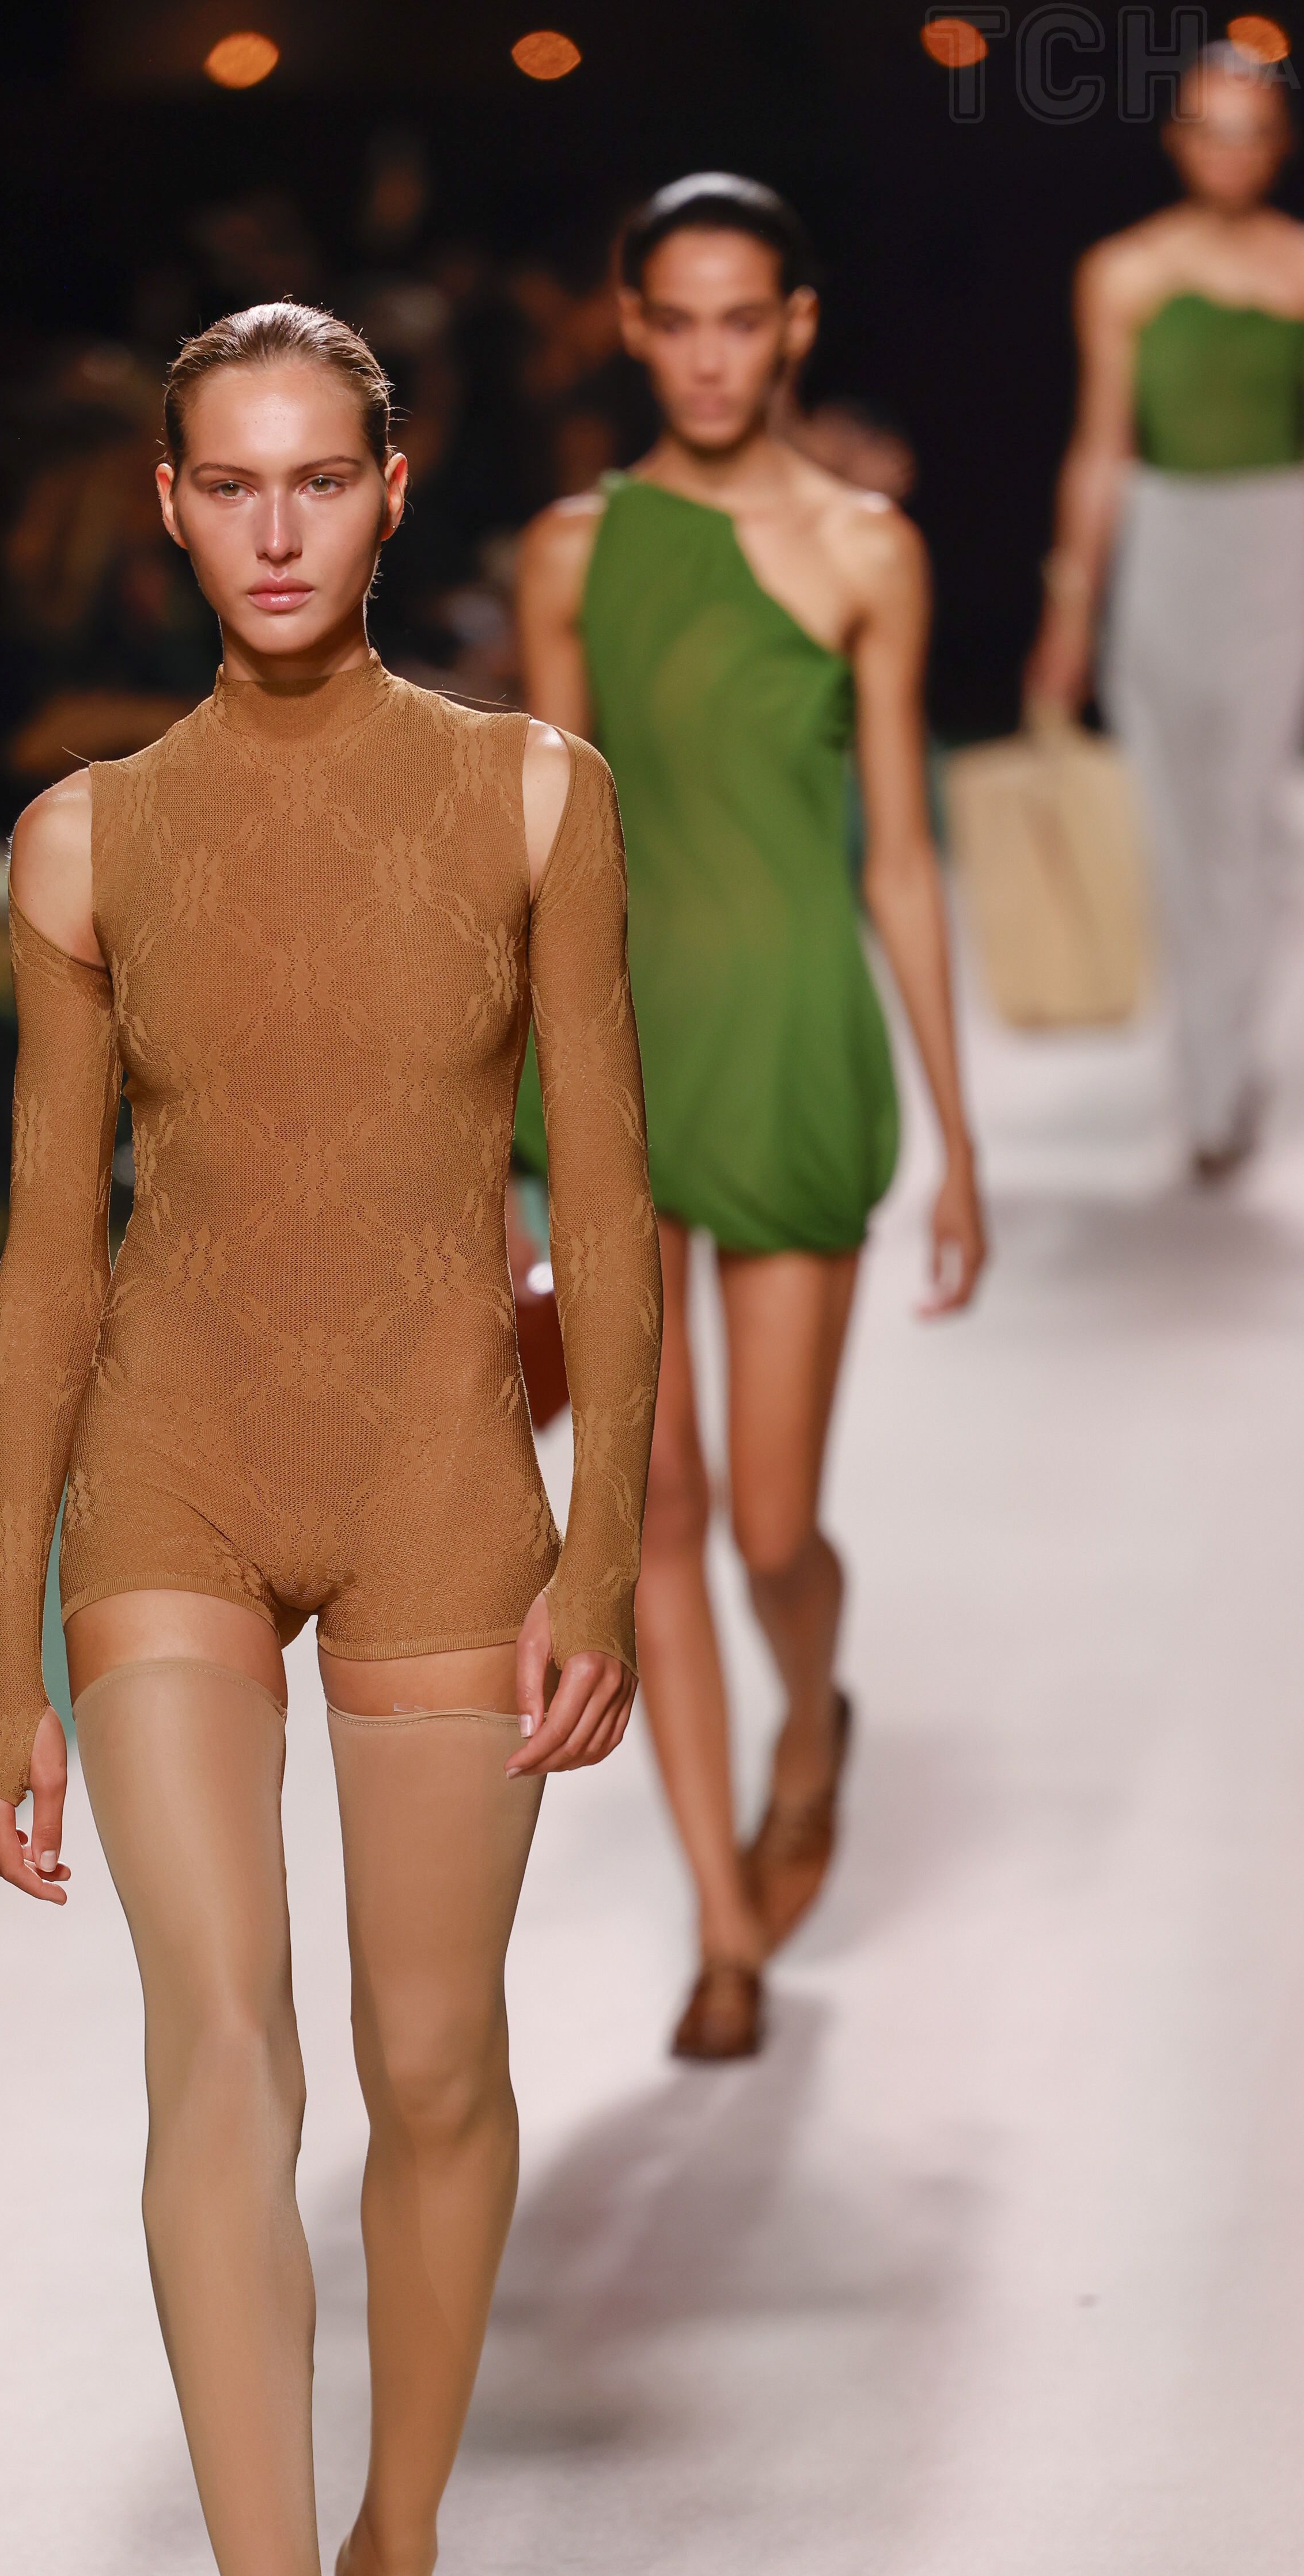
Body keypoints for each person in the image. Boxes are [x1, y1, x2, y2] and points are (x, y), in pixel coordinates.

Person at [0, 304, 660, 2576]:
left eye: (314, 480)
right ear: (165, 503)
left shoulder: (530, 793)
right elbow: (45, 1261)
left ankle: (391, 2553)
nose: (271, 527)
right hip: (166, 1468)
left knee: (429, 2062)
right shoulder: (79, 843)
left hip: (437, 1478)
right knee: (216, 2048)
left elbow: (604, 1205)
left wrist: (602, 1554)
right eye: (225, 483)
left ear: (388, 489)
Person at [517, 174, 985, 2060]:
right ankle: (719, 1922)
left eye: (742, 319)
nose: (708, 356)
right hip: (622, 1053)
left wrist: (960, 1136)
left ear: (792, 326)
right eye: (676, 320)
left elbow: (899, 859)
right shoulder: (571, 554)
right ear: (632, 327)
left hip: (792, 1037)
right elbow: (546, 848)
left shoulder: (870, 549)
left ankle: (812, 1713)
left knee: (776, 1527)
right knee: (655, 1513)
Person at [1027, 42, 1304, 1179]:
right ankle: (1205, 1073)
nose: (1227, 151)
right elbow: (1099, 447)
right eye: (1207, 128)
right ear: (1176, 139)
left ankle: (1221, 1081)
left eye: (1249, 130)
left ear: (1277, 146)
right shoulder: (1124, 270)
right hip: (1162, 545)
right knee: (1174, 820)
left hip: (1277, 542)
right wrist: (1068, 610)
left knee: (1244, 810)